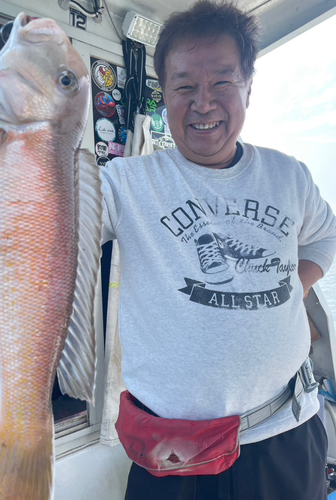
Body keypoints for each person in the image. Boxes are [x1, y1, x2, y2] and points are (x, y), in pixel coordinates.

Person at [100, 1, 336, 499]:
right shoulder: (122, 183)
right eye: (184, 86)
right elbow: (46, 216)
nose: (203, 103)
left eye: (222, 82)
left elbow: (324, 234)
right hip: (172, 450)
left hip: (286, 431)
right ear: (164, 95)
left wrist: (300, 280)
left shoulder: (288, 175)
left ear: (249, 85)